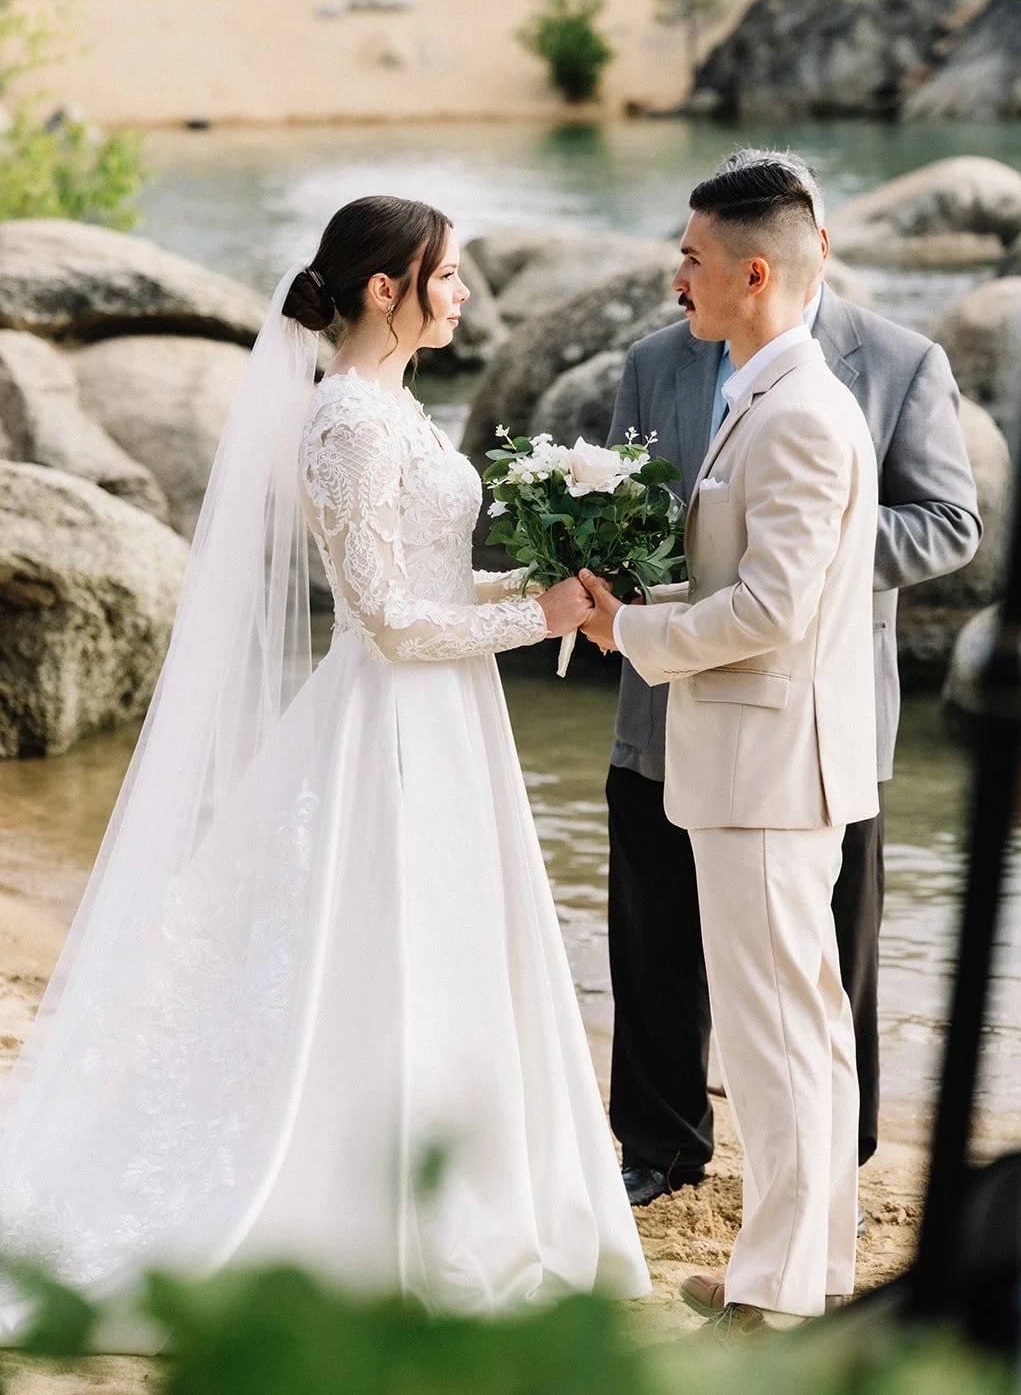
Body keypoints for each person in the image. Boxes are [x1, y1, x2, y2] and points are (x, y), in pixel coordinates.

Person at [0, 196, 650, 1342]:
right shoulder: (344, 421)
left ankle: (460, 1192)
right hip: (387, 725)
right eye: (444, 276)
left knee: (450, 951)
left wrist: (545, 591)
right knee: (380, 953)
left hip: (448, 719)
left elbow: (435, 588)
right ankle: (370, 1216)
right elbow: (390, 620)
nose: (461, 295)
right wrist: (529, 611)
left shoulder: (395, 409)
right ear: (385, 289)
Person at [604, 149, 981, 1208]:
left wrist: (796, 560)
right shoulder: (656, 359)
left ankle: (833, 1157)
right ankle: (660, 1144)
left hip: (812, 709)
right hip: (662, 689)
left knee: (816, 959)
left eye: (692, 256)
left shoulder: (895, 363)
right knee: (653, 933)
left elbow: (949, 523)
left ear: (805, 248)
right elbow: (641, 510)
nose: (679, 279)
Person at [580, 158, 880, 1328]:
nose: (677, 279)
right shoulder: (765, 390)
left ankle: (776, 1288)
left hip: (766, 774)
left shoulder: (798, 410)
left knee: (771, 1037)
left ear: (756, 273)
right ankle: (812, 1269)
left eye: (693, 260)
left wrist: (631, 628)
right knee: (801, 1025)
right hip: (765, 763)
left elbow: (770, 607)